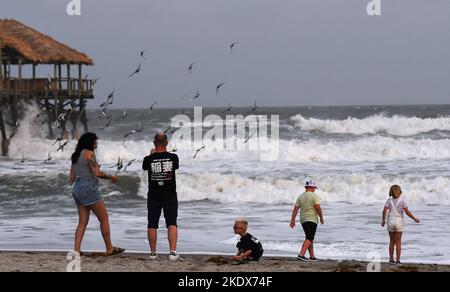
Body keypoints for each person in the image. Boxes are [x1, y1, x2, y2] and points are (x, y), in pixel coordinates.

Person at [69, 132, 125, 256]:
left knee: (82, 221)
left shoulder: (75, 155)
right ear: (90, 142)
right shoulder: (90, 154)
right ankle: (110, 248)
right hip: (89, 188)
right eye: (95, 141)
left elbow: (72, 177)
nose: (96, 144)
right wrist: (111, 177)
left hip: (77, 189)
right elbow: (97, 173)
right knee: (104, 218)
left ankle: (76, 250)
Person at [142, 132, 182, 261]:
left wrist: (152, 154)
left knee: (152, 223)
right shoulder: (174, 157)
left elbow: (145, 167)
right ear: (167, 143)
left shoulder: (148, 159)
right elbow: (174, 167)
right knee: (172, 222)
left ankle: (153, 253)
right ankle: (172, 252)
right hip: (169, 194)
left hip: (153, 195)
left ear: (154, 143)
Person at [381, 185, 420, 265]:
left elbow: (384, 211)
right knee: (398, 242)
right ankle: (398, 260)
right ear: (400, 191)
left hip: (390, 221)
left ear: (391, 192)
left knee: (392, 241)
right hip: (399, 222)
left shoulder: (389, 201)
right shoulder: (403, 201)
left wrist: (383, 220)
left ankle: (391, 259)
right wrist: (414, 218)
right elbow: (407, 212)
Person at [290, 179, 324, 261]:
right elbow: (318, 208)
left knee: (309, 237)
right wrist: (321, 218)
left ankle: (312, 256)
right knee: (309, 237)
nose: (314, 190)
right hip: (312, 219)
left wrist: (292, 220)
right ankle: (301, 254)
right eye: (314, 188)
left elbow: (296, 209)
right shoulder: (314, 196)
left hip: (303, 219)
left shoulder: (300, 196)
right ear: (312, 187)